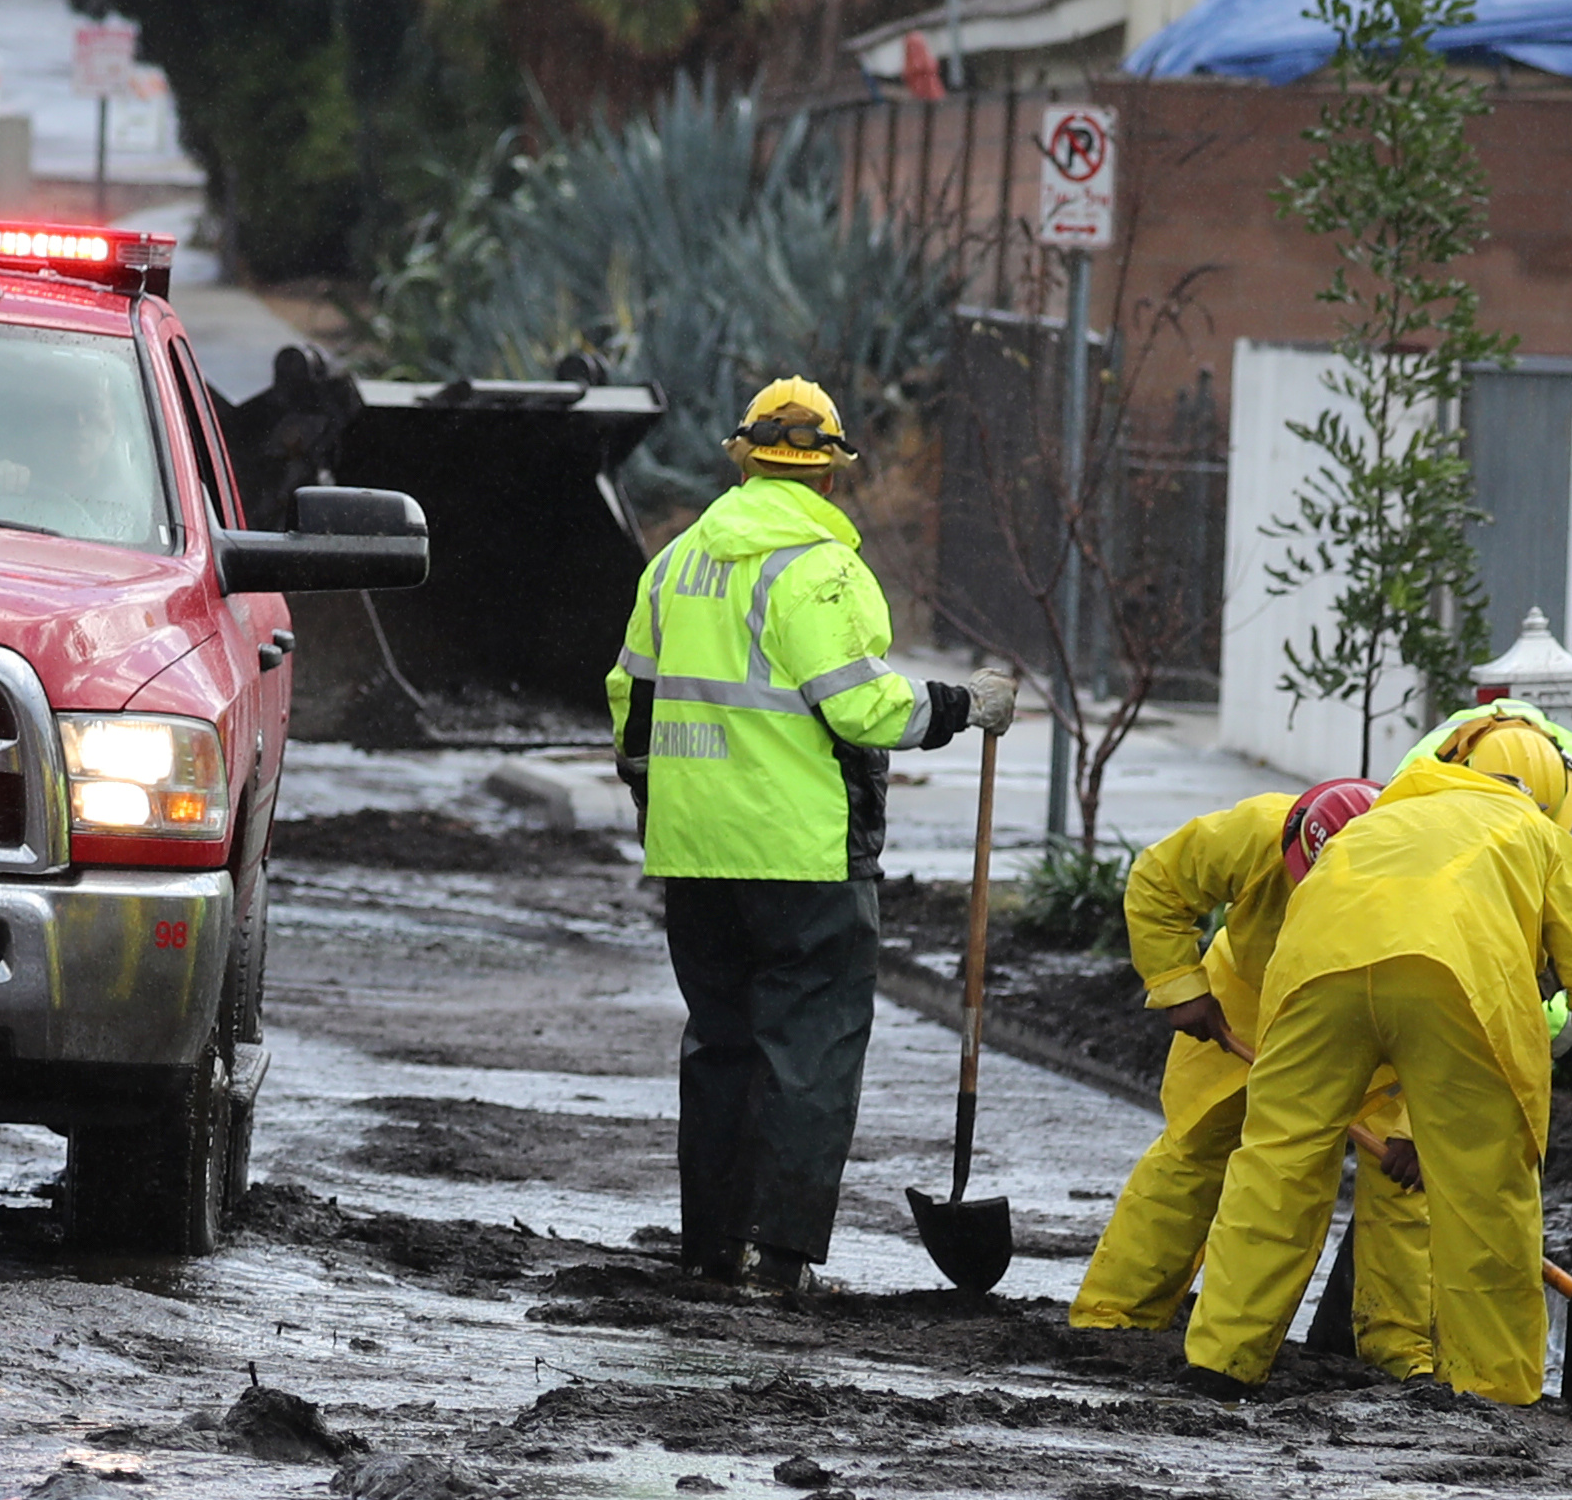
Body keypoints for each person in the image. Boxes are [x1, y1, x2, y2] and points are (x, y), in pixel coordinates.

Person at [603, 376, 1009, 1299]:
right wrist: (962, 706)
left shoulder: (676, 563)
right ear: (830, 472)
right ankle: (783, 1262)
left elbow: (630, 702)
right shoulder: (822, 570)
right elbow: (862, 707)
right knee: (810, 1052)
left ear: (742, 460)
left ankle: (711, 1250)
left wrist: (659, 802)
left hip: (695, 856)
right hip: (804, 857)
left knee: (721, 1048)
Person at [1179, 730, 1572, 1405]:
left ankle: (1221, 1360)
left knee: (1277, 1163)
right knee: (1482, 1186)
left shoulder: (1388, 811)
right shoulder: (1539, 837)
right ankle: (1490, 1385)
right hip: (1454, 981)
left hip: (1314, 969)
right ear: (1549, 800)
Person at [1067, 779, 1434, 1359]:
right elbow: (1159, 880)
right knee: (1194, 1153)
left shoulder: (1433, 896)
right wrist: (1179, 984)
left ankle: (1401, 1354)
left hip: (1373, 1031)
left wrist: (1419, 1131)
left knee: (1402, 1186)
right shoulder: (1254, 832)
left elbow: (1465, 1025)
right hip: (1247, 999)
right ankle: (1114, 1319)